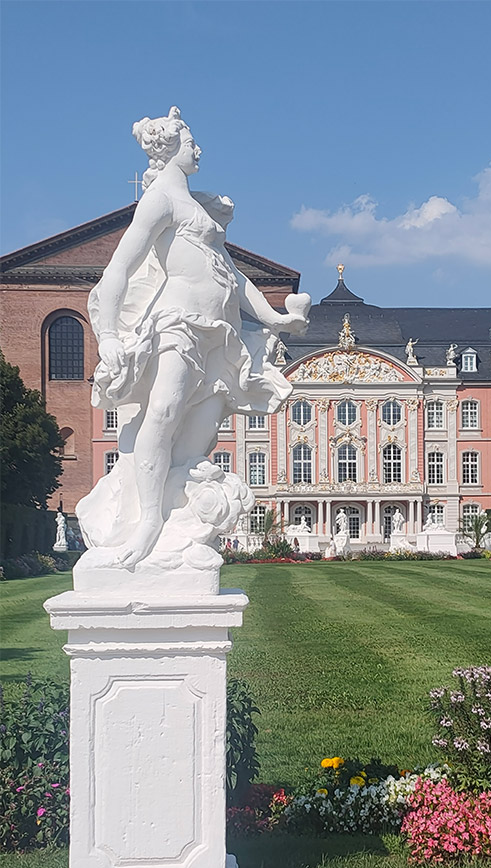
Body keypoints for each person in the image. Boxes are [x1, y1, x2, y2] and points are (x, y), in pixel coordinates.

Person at [77, 107, 310, 568]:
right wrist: (108, 334)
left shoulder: (198, 207)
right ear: (169, 149)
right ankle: (147, 520)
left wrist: (276, 319)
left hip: (220, 336)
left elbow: (232, 276)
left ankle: (173, 524)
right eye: (190, 142)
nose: (198, 149)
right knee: (162, 412)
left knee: (197, 439)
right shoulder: (160, 200)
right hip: (179, 323)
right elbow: (118, 269)